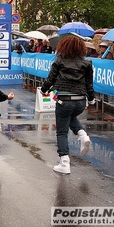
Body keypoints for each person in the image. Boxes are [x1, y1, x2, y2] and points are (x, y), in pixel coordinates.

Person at [40, 36, 95, 174]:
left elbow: (50, 78)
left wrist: (44, 90)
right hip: (80, 101)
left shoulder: (59, 60)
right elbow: (89, 84)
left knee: (62, 132)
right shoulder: (87, 63)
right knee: (70, 118)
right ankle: (82, 135)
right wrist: (92, 99)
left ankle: (64, 162)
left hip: (64, 100)